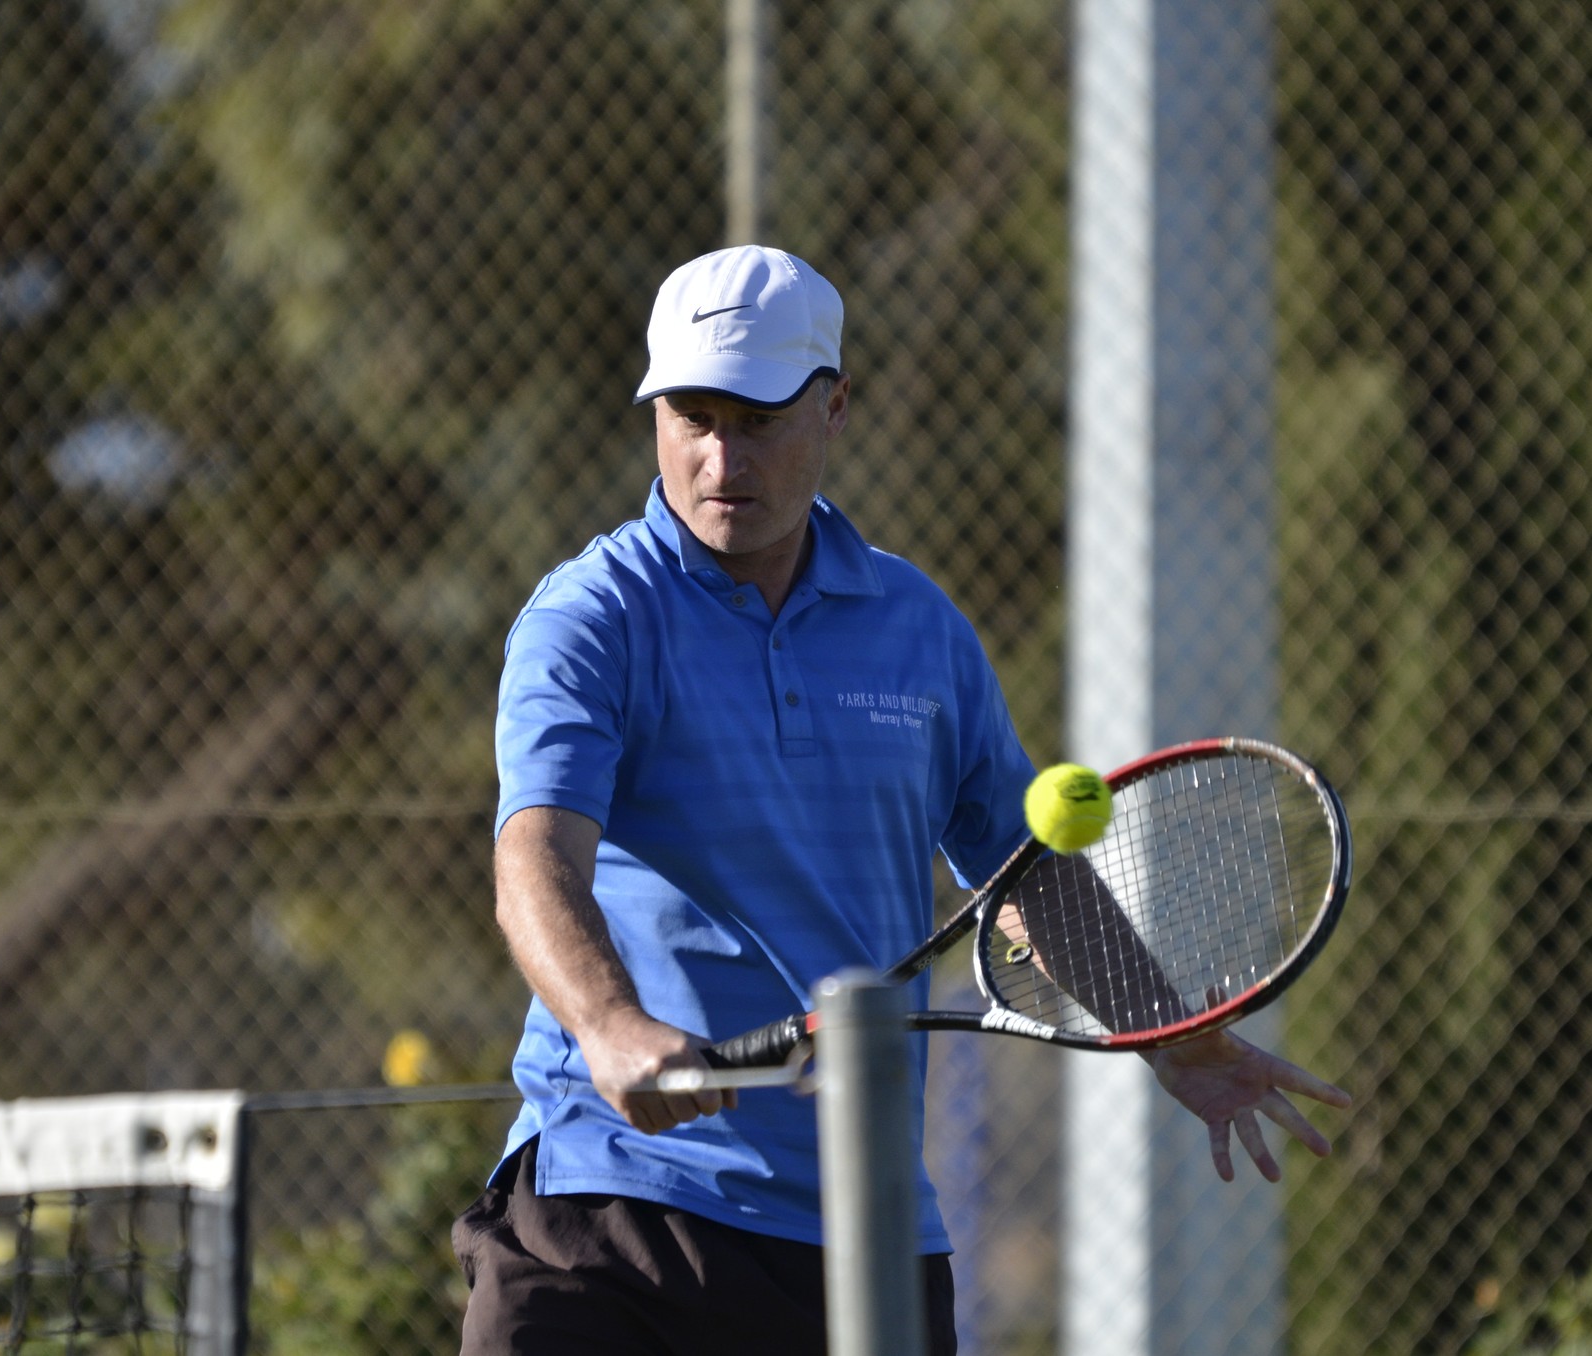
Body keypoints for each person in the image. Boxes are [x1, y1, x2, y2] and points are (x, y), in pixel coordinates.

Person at [454, 245, 1350, 1355]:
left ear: (835, 408)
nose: (718, 455)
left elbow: (1024, 881)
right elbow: (534, 856)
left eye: (758, 417)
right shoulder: (589, 617)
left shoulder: (919, 631)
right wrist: (608, 1025)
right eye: (691, 415)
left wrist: (1170, 1036)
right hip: (605, 1217)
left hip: (858, 1242)